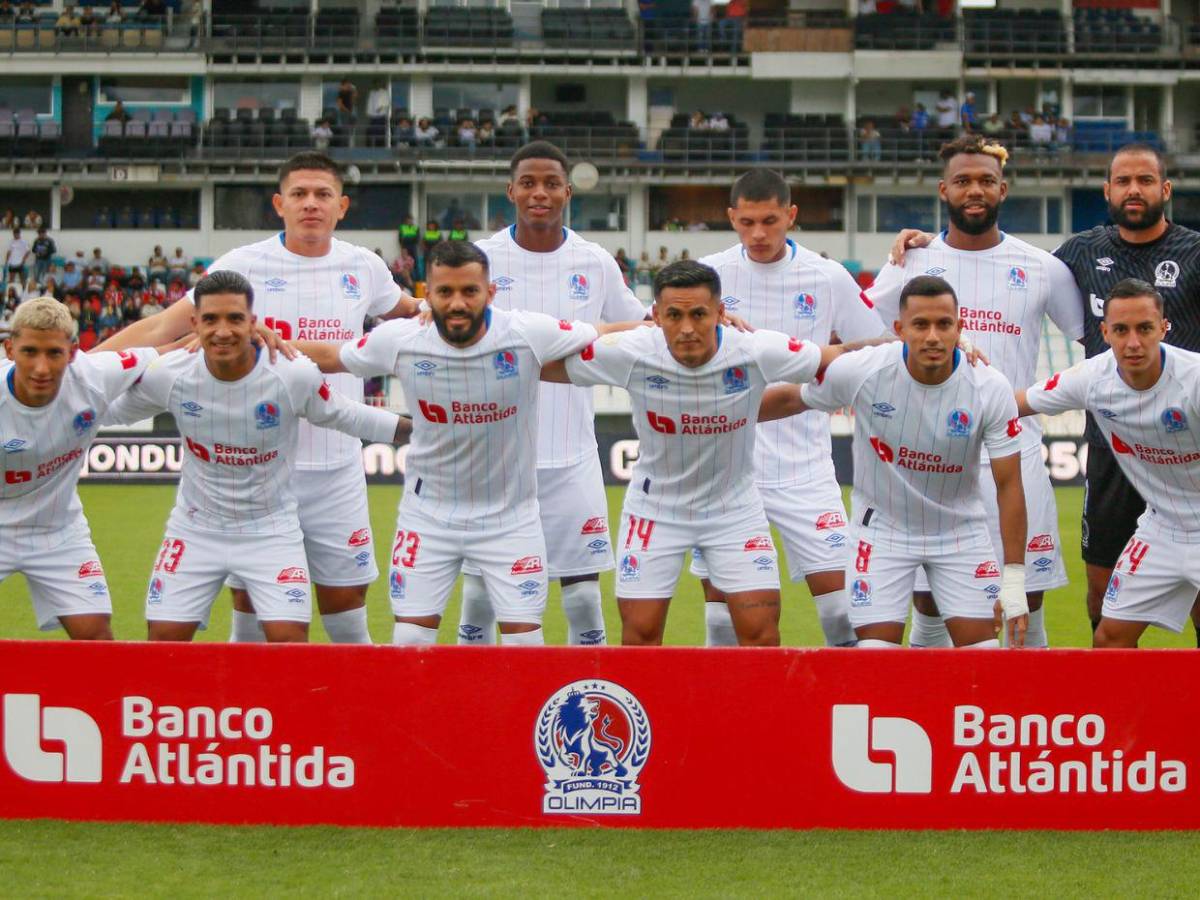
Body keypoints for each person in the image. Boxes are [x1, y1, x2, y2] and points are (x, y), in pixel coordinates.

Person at [97, 151, 420, 646]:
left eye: (322, 195)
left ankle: (351, 716)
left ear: (342, 206)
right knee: (250, 600)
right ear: (279, 203)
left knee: (346, 604)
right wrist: (77, 368)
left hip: (335, 467)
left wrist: (464, 313)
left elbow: (410, 313)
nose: (310, 204)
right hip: (259, 475)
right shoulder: (243, 265)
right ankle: (251, 715)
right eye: (299, 194)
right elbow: (165, 325)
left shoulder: (364, 266)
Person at [893, 142, 1200, 642]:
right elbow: (995, 263)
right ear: (1107, 190)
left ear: (1165, 189)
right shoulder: (1077, 254)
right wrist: (936, 245)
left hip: (1189, 443)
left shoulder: (1195, 253)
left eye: (1145, 181)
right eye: (1123, 181)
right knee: (1101, 597)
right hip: (1116, 447)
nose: (1134, 190)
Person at [294, 241, 624, 646]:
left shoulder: (526, 331)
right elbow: (329, 355)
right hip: (428, 519)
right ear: (425, 295)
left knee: (524, 646)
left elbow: (605, 333)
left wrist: (674, 332)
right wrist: (253, 341)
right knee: (410, 642)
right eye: (445, 292)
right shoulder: (399, 338)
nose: (457, 303)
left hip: (511, 519)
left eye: (470, 291)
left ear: (490, 292)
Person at [544, 260, 860, 645]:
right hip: (655, 510)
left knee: (761, 637)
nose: (688, 328)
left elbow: (839, 356)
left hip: (734, 510)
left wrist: (910, 351)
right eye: (674, 315)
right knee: (639, 638)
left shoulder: (756, 350)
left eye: (699, 314)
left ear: (721, 313)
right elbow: (541, 363)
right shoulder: (631, 351)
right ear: (656, 316)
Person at [106, 271, 406, 643]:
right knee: (164, 639)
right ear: (194, 323)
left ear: (253, 323)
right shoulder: (170, 374)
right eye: (211, 319)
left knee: (289, 640)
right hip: (196, 528)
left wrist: (425, 431)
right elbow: (106, 411)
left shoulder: (291, 374)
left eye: (234, 318)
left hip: (271, 530)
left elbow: (347, 414)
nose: (223, 331)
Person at [867, 134, 1084, 649]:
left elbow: (1093, 350)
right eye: (963, 180)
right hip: (930, 460)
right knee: (930, 601)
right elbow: (867, 337)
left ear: (1003, 189)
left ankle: (1019, 721)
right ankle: (935, 719)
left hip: (1017, 456)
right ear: (944, 189)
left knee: (1023, 600)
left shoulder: (1042, 267)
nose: (975, 190)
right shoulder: (909, 262)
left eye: (986, 180)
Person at [454, 142, 651, 647]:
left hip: (572, 459)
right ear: (511, 191)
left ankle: (588, 692)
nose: (538, 193)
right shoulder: (482, 260)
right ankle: (474, 713)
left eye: (549, 184)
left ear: (568, 191)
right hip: (493, 459)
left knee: (583, 600)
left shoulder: (595, 260)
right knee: (479, 599)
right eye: (528, 183)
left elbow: (638, 327)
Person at [765, 275, 1030, 648]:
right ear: (899, 329)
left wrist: (1015, 578)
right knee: (875, 658)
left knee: (982, 661)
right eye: (920, 325)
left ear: (960, 327)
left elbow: (1009, 484)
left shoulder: (989, 387)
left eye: (944, 324)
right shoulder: (864, 370)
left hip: (960, 533)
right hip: (881, 534)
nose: (933, 337)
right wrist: (719, 419)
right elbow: (792, 399)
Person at [688, 170, 886, 648]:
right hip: (725, 472)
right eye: (748, 221)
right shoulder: (705, 275)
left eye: (770, 221)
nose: (758, 234)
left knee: (844, 613)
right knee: (723, 623)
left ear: (791, 216)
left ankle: (844, 715)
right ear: (731, 217)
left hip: (805, 472)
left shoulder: (826, 275)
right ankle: (734, 719)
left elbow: (877, 344)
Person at [1018, 280, 1200, 647]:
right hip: (1161, 529)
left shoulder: (1193, 380)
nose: (1133, 342)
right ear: (1104, 332)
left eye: (1145, 328)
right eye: (1121, 330)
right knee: (1108, 640)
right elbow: (1013, 404)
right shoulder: (1092, 378)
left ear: (1164, 328)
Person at [0, 297, 158, 640]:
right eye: (29, 352)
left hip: (58, 530)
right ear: (9, 349)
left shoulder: (92, 374)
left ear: (73, 353)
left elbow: (170, 346)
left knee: (96, 637)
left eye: (54, 354)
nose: (42, 368)